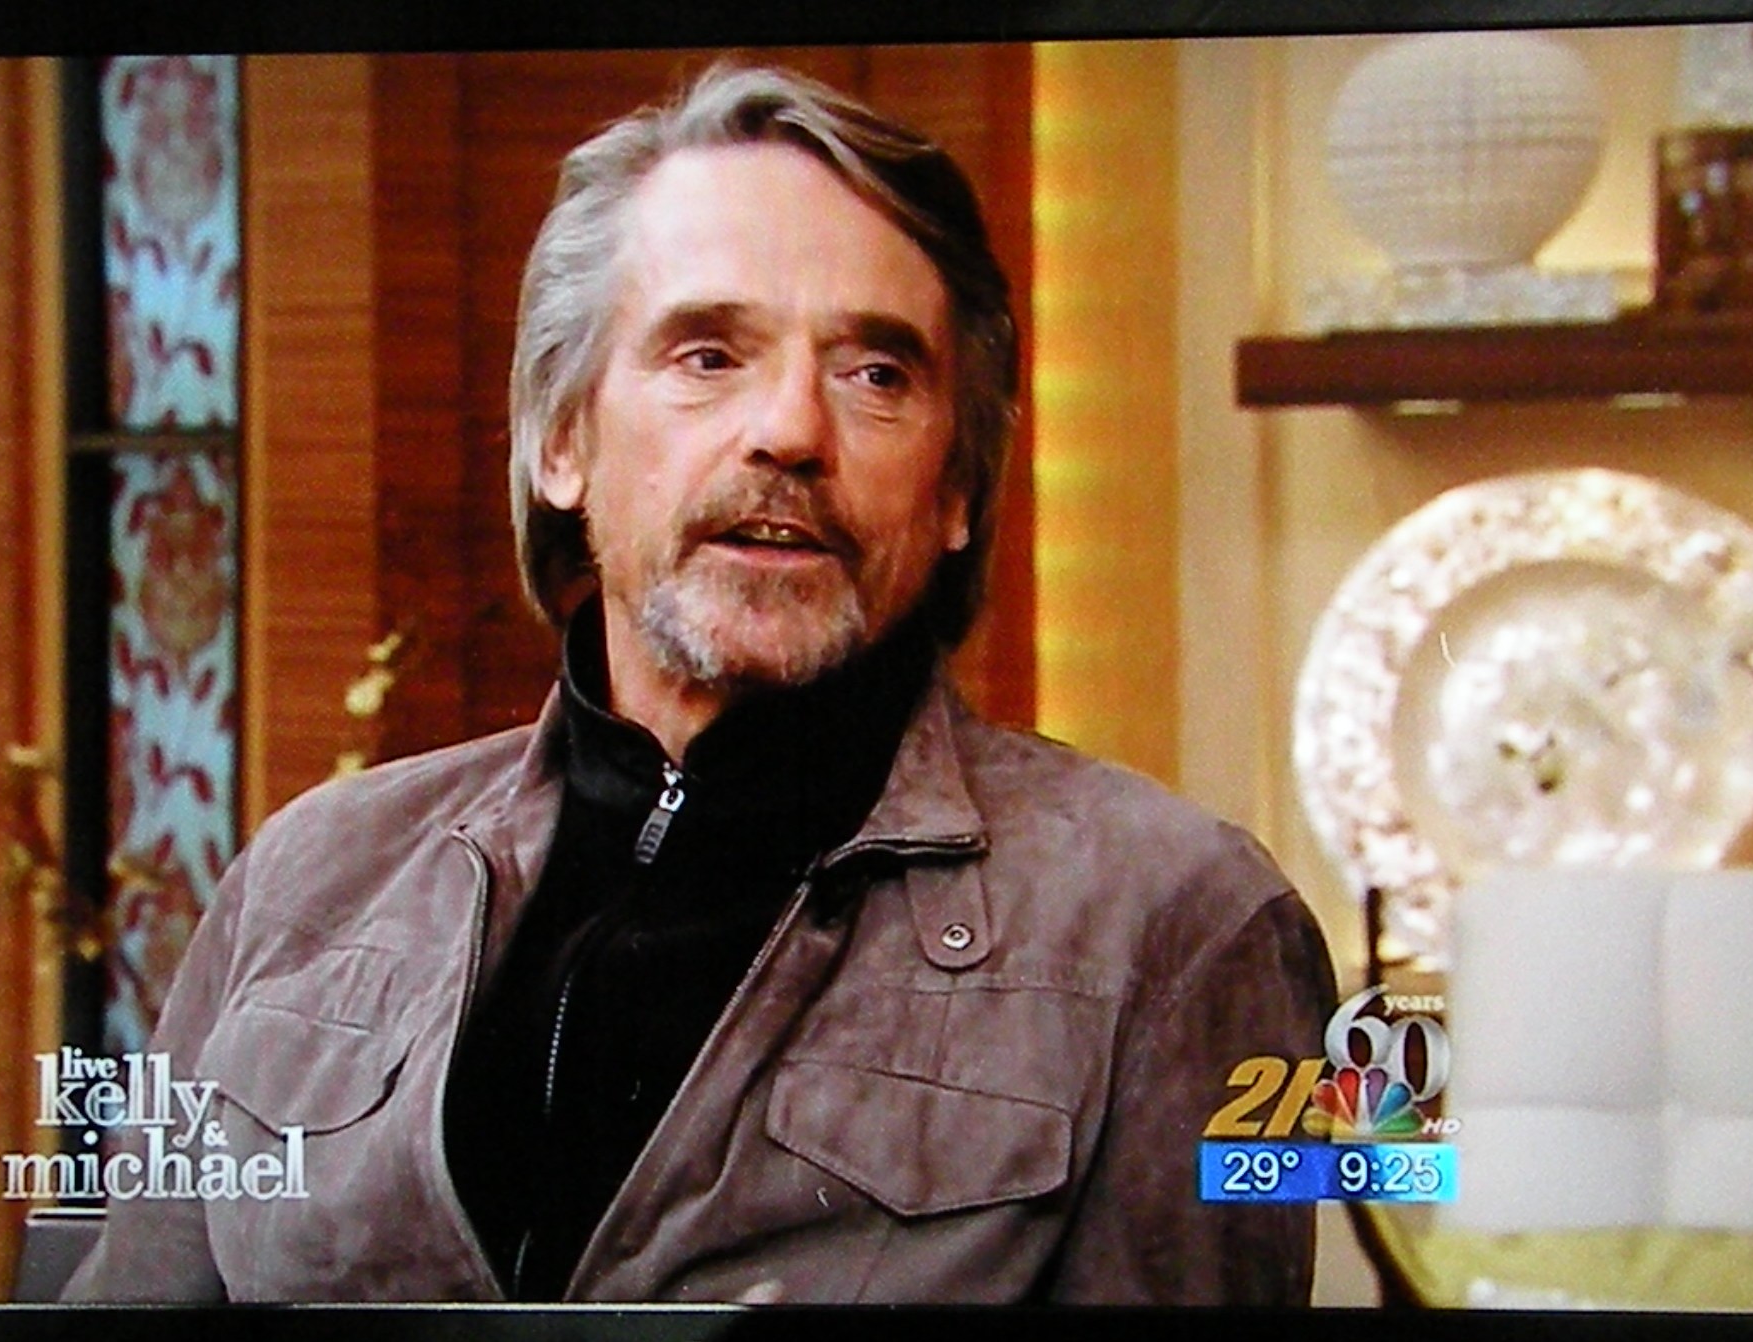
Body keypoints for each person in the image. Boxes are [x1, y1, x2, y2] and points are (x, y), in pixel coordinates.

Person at [65, 62, 1335, 1305]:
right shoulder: (311, 878)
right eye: (708, 355)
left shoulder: (1178, 923)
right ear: (561, 439)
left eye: (876, 374)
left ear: (956, 488)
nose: (789, 431)